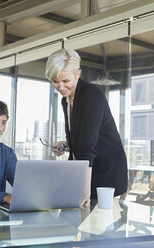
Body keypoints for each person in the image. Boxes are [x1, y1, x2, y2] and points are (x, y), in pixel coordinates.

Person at [45, 48, 128, 201]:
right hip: (85, 170)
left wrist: (84, 191)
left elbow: (87, 148)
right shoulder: (67, 100)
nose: (61, 87)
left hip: (105, 172)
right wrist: (65, 144)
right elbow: (81, 137)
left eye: (66, 81)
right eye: (55, 81)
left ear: (78, 74)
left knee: (92, 220)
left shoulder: (91, 96)